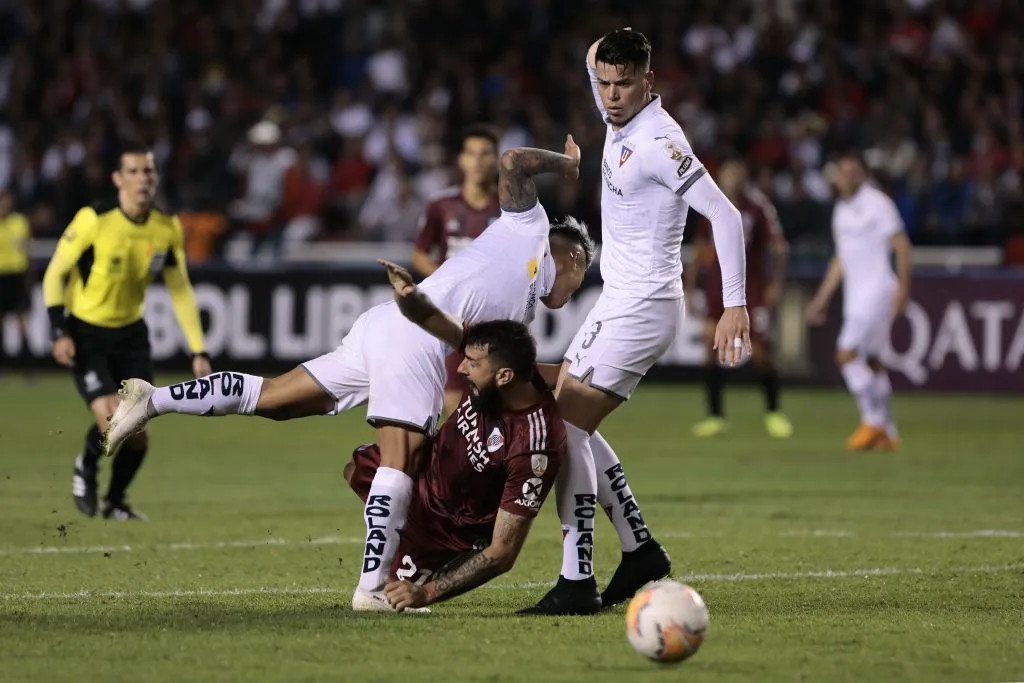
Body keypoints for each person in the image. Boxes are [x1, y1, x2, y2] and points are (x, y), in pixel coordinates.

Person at [102, 137, 592, 610]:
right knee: (400, 458)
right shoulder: (528, 226)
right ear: (573, 257)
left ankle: (152, 400)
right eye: (581, 275)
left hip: (387, 324)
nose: (573, 290)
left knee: (275, 399)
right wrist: (564, 166)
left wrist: (565, 376)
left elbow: (499, 363)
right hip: (413, 338)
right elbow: (511, 162)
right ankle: (371, 588)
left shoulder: (521, 311)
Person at [521, 28, 751, 616]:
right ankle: (640, 550)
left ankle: (578, 579)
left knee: (564, 427)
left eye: (625, 84)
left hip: (644, 303)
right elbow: (590, 53)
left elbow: (725, 217)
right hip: (617, 300)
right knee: (574, 422)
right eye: (605, 83)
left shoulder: (658, 140)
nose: (612, 95)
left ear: (649, 82)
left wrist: (734, 304)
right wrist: (601, 53)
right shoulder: (613, 110)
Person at [345, 315, 565, 613]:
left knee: (396, 593)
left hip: (446, 529)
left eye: (472, 363)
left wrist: (426, 593)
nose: (461, 369)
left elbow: (502, 552)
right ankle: (401, 526)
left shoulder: (533, 446)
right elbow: (567, 373)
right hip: (424, 472)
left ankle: (421, 553)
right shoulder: (502, 380)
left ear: (504, 377)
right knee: (355, 468)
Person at [42, 143, 211, 521]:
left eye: (148, 171)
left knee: (138, 433)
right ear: (118, 179)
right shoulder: (95, 219)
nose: (142, 179)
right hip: (86, 331)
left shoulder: (166, 227)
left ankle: (115, 502)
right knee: (110, 419)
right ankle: (85, 465)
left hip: (131, 335)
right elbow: (55, 272)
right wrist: (58, 331)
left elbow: (180, 289)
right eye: (133, 171)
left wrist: (198, 349)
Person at [806, 152, 911, 451]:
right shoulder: (841, 210)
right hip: (856, 296)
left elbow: (902, 246)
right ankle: (888, 432)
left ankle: (872, 422)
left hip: (877, 291)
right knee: (874, 362)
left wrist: (904, 289)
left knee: (846, 354)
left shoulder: (878, 204)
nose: (847, 177)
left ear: (863, 175)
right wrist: (822, 299)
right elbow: (841, 260)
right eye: (843, 172)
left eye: (853, 172)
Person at [686, 157, 792, 438]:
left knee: (759, 353)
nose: (734, 179)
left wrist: (775, 284)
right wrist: (690, 286)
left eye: (738, 173)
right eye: (729, 173)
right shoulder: (710, 204)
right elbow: (700, 250)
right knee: (710, 347)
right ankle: (715, 416)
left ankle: (773, 412)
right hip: (715, 289)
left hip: (750, 290)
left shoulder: (757, 208)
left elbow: (780, 248)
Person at [411, 124, 502, 418]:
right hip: (453, 318)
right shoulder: (442, 205)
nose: (477, 161)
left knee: (497, 404)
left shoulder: (509, 208)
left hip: (495, 318)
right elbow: (419, 253)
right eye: (471, 153)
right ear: (461, 159)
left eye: (485, 153)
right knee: (453, 406)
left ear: (497, 159)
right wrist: (449, 279)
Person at [0, 189, 32, 364]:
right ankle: (3, 363)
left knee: (21, 319)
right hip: (1, 275)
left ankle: (28, 363)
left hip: (17, 275)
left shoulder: (19, 222)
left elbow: (26, 247)